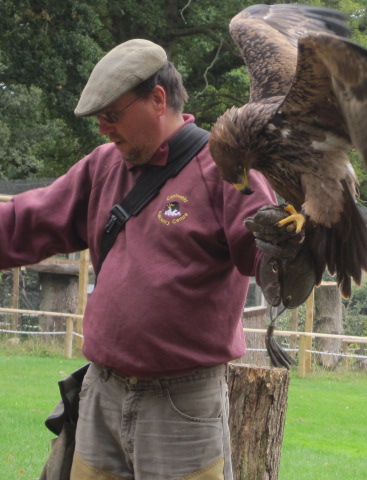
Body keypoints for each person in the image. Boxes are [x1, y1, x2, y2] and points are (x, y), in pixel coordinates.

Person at [0, 39, 308, 480]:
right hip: (101, 394)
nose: (103, 130)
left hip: (181, 405)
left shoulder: (225, 166)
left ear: (157, 100)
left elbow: (266, 258)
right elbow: (26, 222)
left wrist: (291, 254)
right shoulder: (104, 167)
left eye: (111, 115)